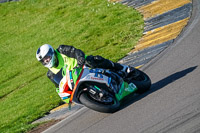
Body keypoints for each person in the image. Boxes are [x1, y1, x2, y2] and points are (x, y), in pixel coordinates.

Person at [36, 44, 135, 103]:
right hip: (74, 81)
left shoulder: (61, 50)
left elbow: (75, 51)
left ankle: (122, 68)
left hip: (84, 67)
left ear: (52, 52)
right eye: (43, 61)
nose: (46, 61)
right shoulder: (50, 74)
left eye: (47, 57)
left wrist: (80, 59)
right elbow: (58, 87)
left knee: (94, 60)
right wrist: (64, 97)